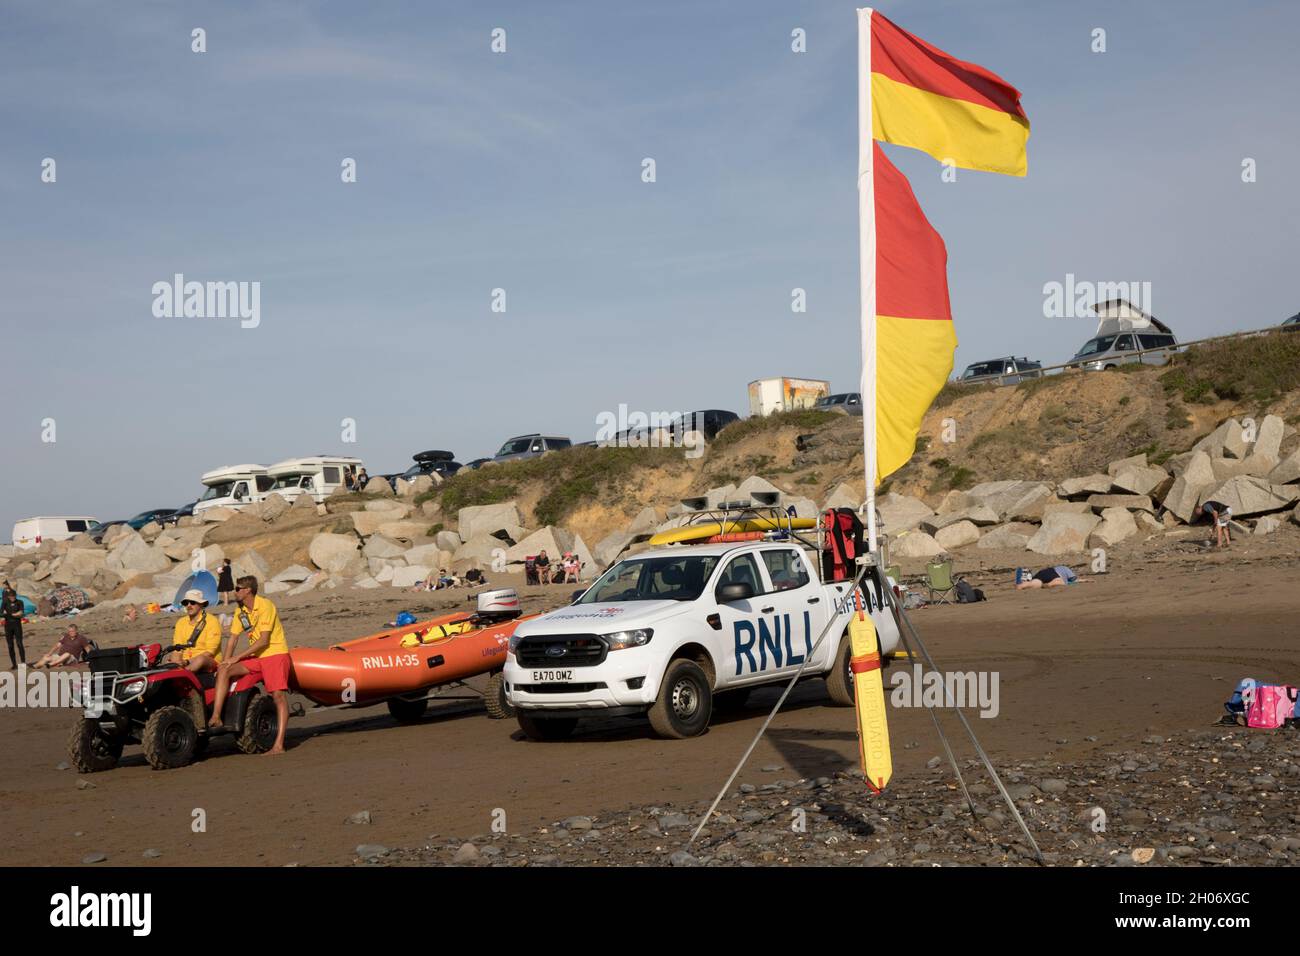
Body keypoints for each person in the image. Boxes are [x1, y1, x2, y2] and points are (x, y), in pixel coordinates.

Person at [208, 576, 290, 754]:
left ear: (247, 590)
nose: (234, 591)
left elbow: (263, 640)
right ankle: (216, 716)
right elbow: (233, 639)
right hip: (257, 658)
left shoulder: (265, 605)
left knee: (278, 697)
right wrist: (226, 661)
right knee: (225, 669)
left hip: (274, 654)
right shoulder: (241, 611)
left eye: (237, 589)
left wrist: (236, 657)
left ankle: (279, 745)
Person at [168, 588, 224, 673]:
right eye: (186, 603)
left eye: (193, 602)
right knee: (173, 656)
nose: (189, 605)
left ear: (201, 604)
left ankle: (184, 674)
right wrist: (176, 660)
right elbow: (177, 648)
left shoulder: (212, 621)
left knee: (200, 660)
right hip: (185, 661)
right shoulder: (181, 622)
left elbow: (210, 652)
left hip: (209, 661)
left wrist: (187, 662)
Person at [3, 588, 25, 669]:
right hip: (8, 626)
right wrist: (13, 614)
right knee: (10, 645)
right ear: (8, 597)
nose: (12, 598)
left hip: (17, 625)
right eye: (11, 596)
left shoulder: (19, 602)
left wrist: (11, 614)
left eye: (14, 596)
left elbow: (21, 613)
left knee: (19, 644)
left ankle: (23, 663)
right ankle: (14, 665)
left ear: (16, 596)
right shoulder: (5, 603)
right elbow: (2, 613)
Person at [1015, 565, 1081, 590]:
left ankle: (1024, 583)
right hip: (1053, 573)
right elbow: (1073, 579)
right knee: (1062, 582)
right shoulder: (1067, 570)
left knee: (1037, 582)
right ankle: (1050, 584)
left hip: (1045, 572)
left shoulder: (1062, 567)